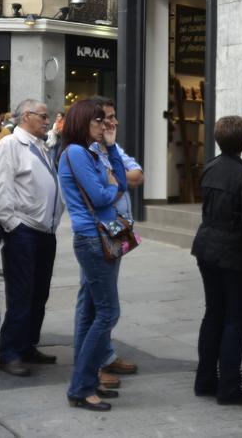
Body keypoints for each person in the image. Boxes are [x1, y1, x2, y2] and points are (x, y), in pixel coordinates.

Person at [58, 100, 128, 412]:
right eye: (98, 121)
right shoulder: (75, 152)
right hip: (93, 238)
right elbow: (102, 195)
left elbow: (122, 184)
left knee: (91, 311)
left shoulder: (91, 152)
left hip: (104, 234)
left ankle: (86, 381)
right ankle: (81, 386)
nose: (104, 126)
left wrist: (111, 150)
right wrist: (111, 188)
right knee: (107, 313)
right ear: (83, 122)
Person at [0, 99, 63, 378]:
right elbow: (0, 191)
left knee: (39, 293)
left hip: (45, 232)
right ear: (26, 117)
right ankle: (10, 353)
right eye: (43, 116)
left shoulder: (39, 145)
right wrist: (14, 226)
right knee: (21, 294)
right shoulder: (10, 145)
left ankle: (28, 345)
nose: (48, 121)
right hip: (24, 232)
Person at [191, 115, 242, 405]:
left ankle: (206, 379)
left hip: (207, 247)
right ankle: (229, 386)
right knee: (235, 320)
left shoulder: (210, 168)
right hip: (234, 253)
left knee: (213, 313)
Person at [89, 97, 142, 384]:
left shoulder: (112, 148)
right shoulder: (86, 151)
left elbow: (136, 176)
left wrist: (117, 178)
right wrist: (117, 181)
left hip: (115, 230)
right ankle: (94, 365)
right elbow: (103, 192)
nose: (114, 123)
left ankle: (104, 356)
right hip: (98, 232)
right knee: (97, 303)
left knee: (101, 298)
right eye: (109, 117)